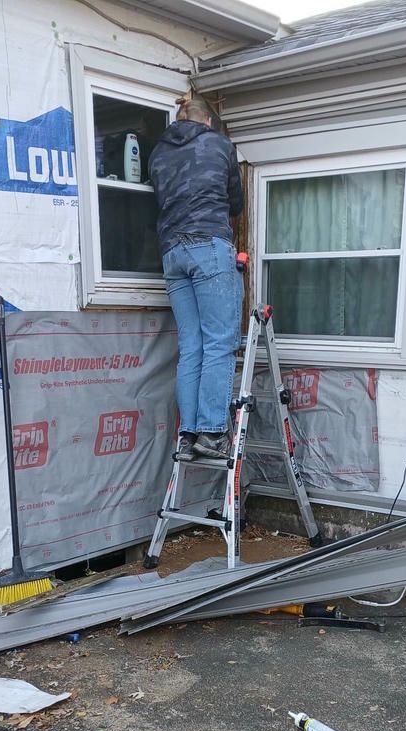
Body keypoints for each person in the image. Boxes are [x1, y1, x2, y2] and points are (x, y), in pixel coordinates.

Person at [149, 96, 244, 461]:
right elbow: (235, 202)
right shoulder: (218, 144)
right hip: (208, 244)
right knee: (220, 342)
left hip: (172, 253)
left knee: (192, 346)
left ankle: (188, 435)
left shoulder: (158, 153)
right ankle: (212, 433)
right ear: (207, 122)